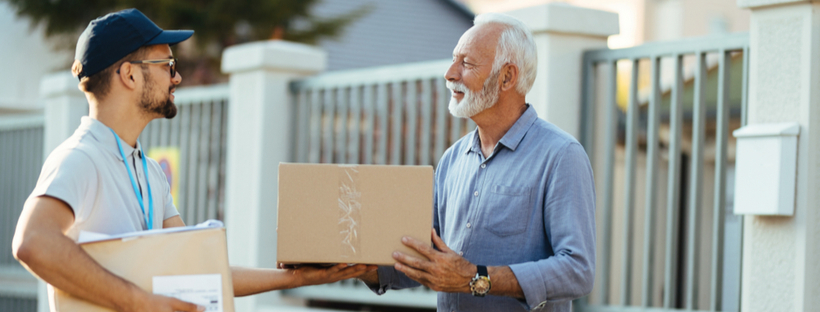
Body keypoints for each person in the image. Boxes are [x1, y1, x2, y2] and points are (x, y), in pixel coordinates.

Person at [11, 9, 374, 312]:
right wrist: (140, 302)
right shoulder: (80, 158)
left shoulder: (150, 172)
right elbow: (34, 242)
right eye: (168, 64)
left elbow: (200, 270)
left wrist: (299, 278)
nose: (177, 76)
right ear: (130, 74)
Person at [358, 12, 596, 312]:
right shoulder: (451, 160)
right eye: (454, 60)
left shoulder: (561, 156)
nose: (450, 73)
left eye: (466, 63)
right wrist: (350, 264)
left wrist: (477, 278)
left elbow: (578, 271)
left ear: (507, 77)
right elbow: (427, 258)